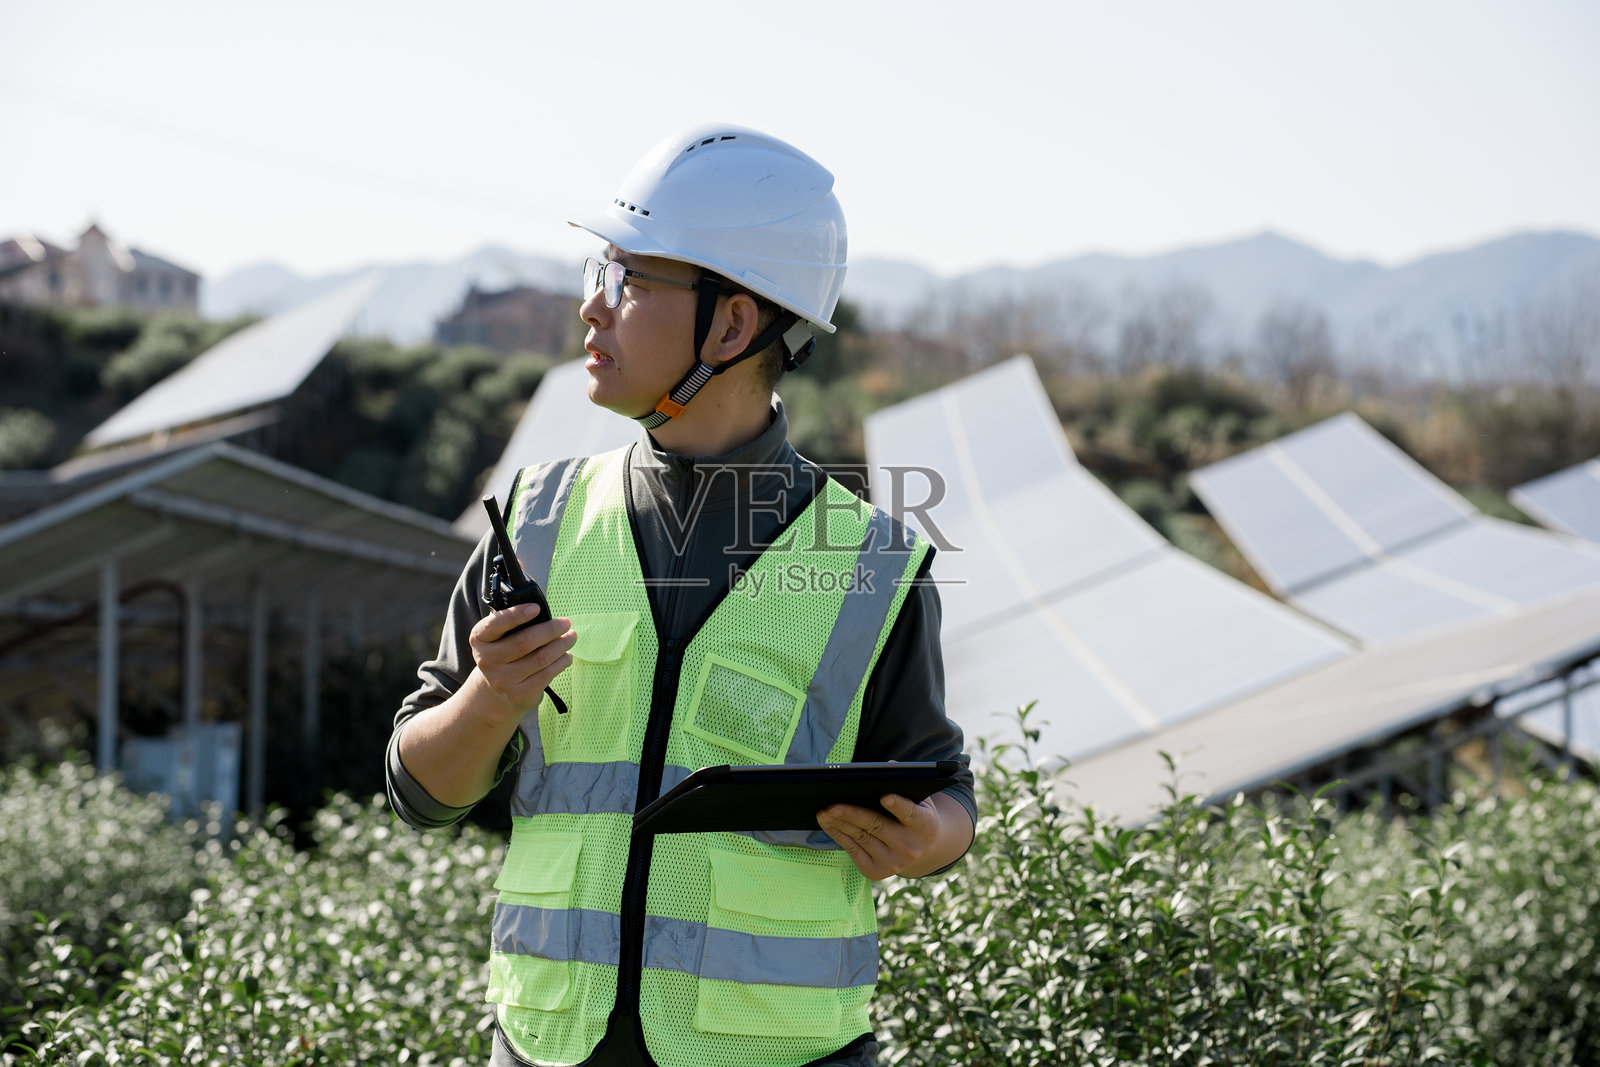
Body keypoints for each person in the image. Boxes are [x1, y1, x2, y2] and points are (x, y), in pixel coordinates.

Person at [386, 123, 975, 1067]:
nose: (591, 308)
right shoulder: (535, 522)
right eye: (597, 269)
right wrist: (490, 698)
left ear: (734, 324)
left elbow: (942, 789)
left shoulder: (871, 562)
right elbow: (420, 791)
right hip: (546, 1047)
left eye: (627, 280)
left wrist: (927, 836)